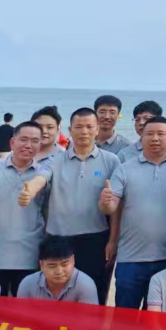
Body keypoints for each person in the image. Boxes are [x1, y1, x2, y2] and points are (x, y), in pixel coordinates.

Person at [104, 116, 166, 309]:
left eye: (161, 134)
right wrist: (105, 202)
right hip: (130, 259)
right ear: (141, 137)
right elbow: (111, 207)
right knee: (125, 316)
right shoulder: (125, 169)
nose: (155, 138)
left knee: (158, 318)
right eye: (149, 134)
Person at [0, 118, 52, 296]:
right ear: (12, 142)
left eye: (34, 141)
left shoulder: (44, 172)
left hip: (29, 255)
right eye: (23, 139)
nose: (28, 145)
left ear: (40, 145)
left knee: (24, 310)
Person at [45, 107, 119, 304]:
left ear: (97, 129)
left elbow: (116, 207)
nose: (84, 131)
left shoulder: (111, 161)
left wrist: (113, 240)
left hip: (95, 238)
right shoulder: (54, 161)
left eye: (89, 126)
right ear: (70, 130)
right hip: (58, 237)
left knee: (95, 292)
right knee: (57, 293)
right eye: (78, 127)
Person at [16, 235, 100, 303]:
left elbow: (88, 318)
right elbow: (20, 316)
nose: (59, 271)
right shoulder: (27, 284)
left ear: (73, 260)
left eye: (64, 264)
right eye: (52, 266)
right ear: (41, 265)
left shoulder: (86, 285)